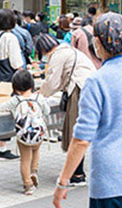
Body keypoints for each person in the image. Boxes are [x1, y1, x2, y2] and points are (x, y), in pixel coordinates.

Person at [53, 12, 122, 208]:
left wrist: (62, 182)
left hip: (111, 179)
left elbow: (82, 139)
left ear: (98, 43)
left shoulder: (97, 81)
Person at [35, 33, 96, 186]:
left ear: (42, 49)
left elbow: (53, 82)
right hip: (88, 88)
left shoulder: (58, 55)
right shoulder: (69, 50)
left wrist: (39, 94)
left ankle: (77, 174)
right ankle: (76, 171)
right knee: (78, 131)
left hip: (79, 90)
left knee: (74, 131)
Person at [0, 70, 50, 195]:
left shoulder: (16, 100)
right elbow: (47, 111)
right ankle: (34, 171)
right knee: (36, 151)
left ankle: (28, 185)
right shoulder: (39, 98)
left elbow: (2, 107)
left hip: (24, 135)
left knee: (24, 159)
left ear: (15, 88)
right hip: (38, 134)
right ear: (32, 85)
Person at [0, 9, 22, 161]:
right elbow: (16, 62)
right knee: (7, 113)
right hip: (8, 80)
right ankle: (3, 148)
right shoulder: (11, 38)